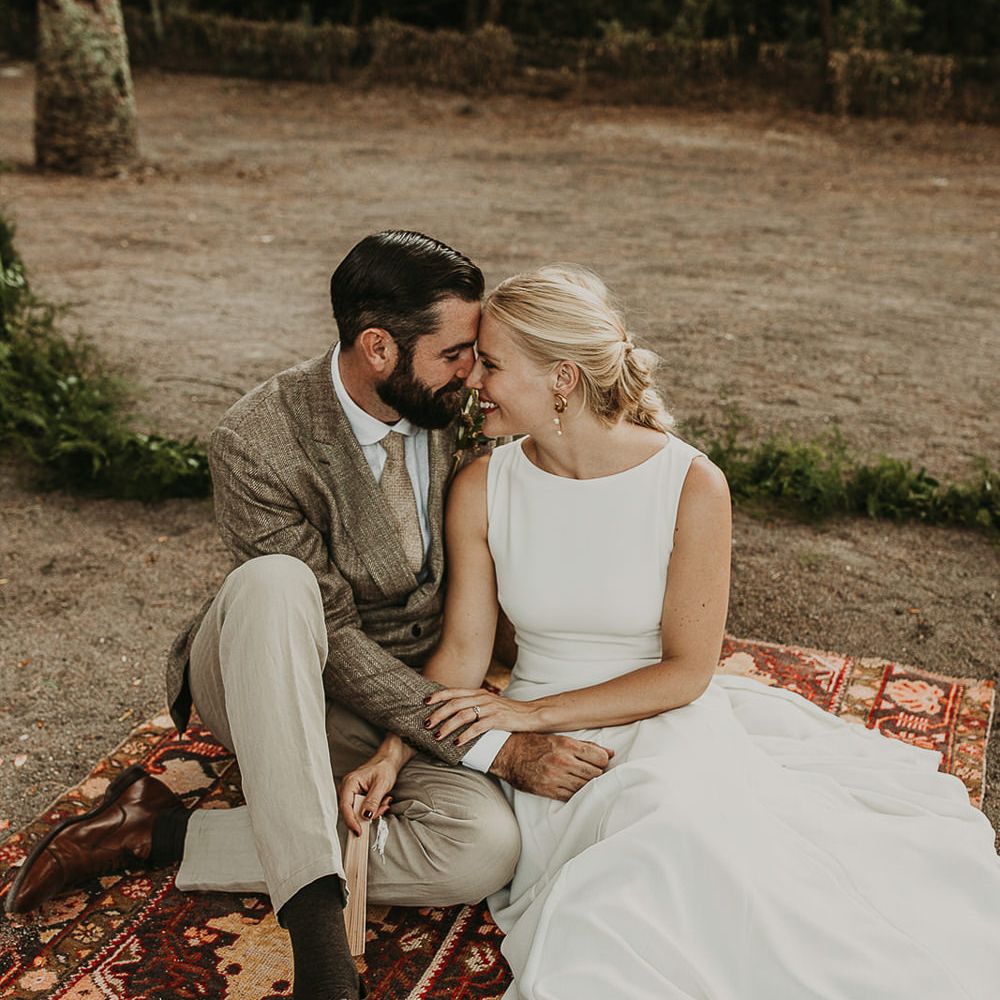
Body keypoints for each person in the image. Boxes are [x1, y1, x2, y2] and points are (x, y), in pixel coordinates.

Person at [346, 263, 1000, 999]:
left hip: (663, 715)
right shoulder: (482, 485)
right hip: (552, 749)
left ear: (562, 377)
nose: (473, 382)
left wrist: (530, 715)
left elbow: (688, 671)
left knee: (684, 828)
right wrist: (396, 752)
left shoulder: (690, 483)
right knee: (627, 877)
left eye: (492, 365)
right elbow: (463, 653)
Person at [2, 234, 618, 1000]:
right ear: (377, 347)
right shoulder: (258, 439)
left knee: (483, 850)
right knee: (273, 581)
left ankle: (154, 830)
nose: (476, 371)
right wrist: (498, 746)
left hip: (413, 690)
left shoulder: (457, 408)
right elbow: (340, 641)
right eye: (458, 352)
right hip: (276, 670)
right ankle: (322, 948)